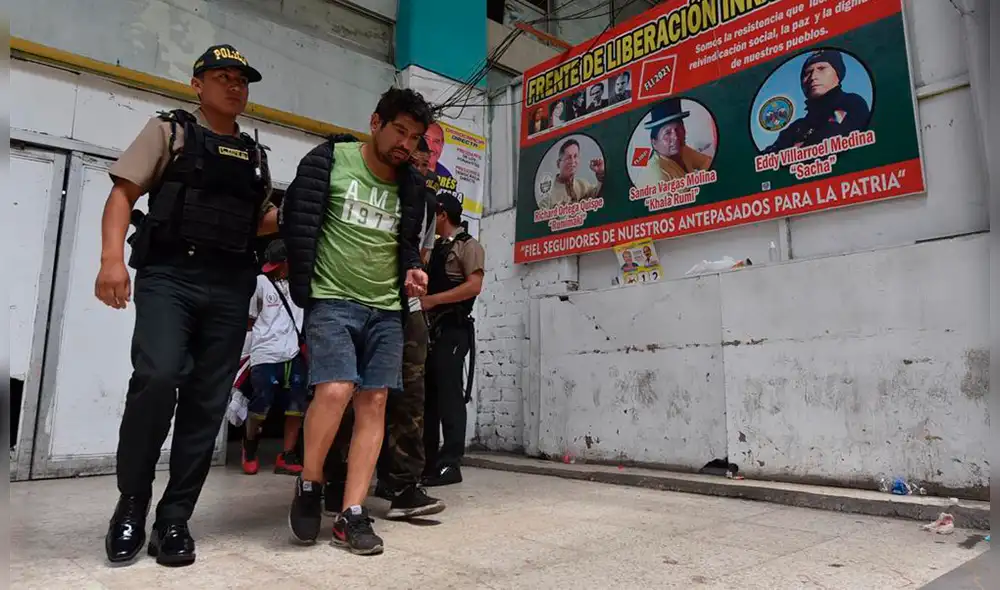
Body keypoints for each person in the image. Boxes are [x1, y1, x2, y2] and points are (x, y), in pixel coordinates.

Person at [96, 44, 276, 567]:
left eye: (242, 80)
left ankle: (174, 520)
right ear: (197, 84)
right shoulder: (169, 130)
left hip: (229, 286)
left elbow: (259, 222)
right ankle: (131, 505)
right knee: (157, 376)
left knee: (207, 403)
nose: (235, 86)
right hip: (170, 276)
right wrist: (112, 260)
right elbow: (122, 194)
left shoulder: (255, 155)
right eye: (222, 77)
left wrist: (307, 208)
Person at [280, 87, 432, 555]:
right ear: (375, 123)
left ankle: (352, 513)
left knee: (376, 400)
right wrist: (301, 286)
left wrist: (413, 269)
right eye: (400, 131)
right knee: (335, 389)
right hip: (331, 298)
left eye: (415, 137)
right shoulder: (329, 160)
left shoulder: (412, 185)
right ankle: (309, 482)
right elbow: (297, 221)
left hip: (386, 307)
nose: (407, 144)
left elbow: (406, 243)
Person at [322, 138, 445, 521]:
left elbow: (420, 255)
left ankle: (402, 486)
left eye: (427, 160)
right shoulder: (366, 181)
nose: (422, 164)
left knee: (408, 396)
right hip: (352, 299)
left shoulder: (423, 202)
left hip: (402, 308)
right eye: (416, 157)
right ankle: (334, 484)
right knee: (344, 391)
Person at [421, 194, 485, 487]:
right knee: (429, 398)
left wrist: (433, 300)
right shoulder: (434, 247)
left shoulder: (467, 246)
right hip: (431, 330)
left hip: (453, 328)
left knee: (449, 395)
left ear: (442, 214)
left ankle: (451, 463)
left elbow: (474, 286)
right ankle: (429, 461)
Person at [242, 239, 308, 476]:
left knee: (296, 407)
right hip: (264, 353)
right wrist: (246, 355)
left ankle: (287, 455)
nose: (276, 269)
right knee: (261, 405)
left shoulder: (302, 284)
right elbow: (250, 320)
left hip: (293, 353)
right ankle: (249, 446)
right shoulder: (260, 282)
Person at [764, 50, 871, 154]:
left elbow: (830, 142)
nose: (813, 77)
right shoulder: (796, 127)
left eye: (821, 68)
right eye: (807, 73)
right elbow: (768, 159)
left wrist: (794, 150)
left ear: (838, 74)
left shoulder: (852, 103)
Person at [643, 98, 713, 185]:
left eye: (678, 129)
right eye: (667, 133)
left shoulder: (683, 150)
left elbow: (706, 162)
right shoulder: (657, 175)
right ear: (654, 143)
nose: (676, 137)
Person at [536, 139, 605, 210]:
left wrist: (600, 173)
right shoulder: (549, 193)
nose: (573, 161)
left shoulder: (583, 185)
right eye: (568, 158)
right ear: (558, 163)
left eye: (575, 156)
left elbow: (598, 195)